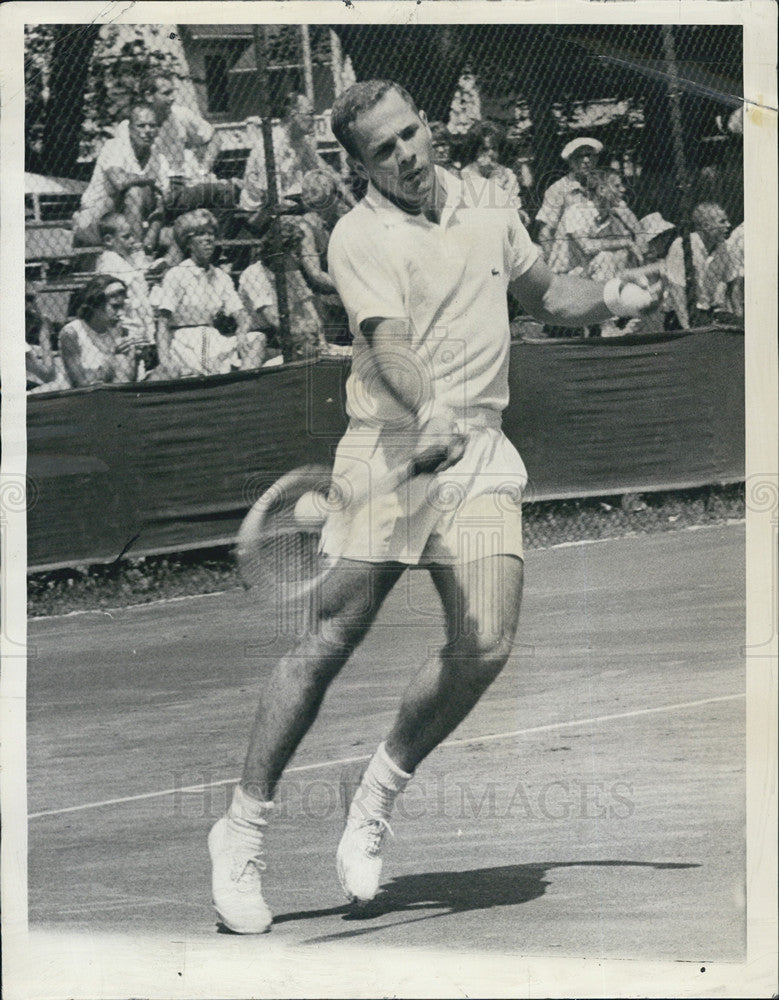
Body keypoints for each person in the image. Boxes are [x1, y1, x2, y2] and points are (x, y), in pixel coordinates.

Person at [207, 79, 663, 934]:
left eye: (412, 133)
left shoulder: (490, 205)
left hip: (479, 449)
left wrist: (610, 298)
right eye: (385, 149)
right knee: (328, 645)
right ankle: (239, 834)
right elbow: (385, 344)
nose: (409, 154)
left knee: (485, 638)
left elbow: (544, 297)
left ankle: (373, 802)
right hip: (389, 446)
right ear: (360, 165)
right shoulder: (357, 236)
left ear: (427, 125)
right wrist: (428, 410)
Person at [154, 209, 264, 376]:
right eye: (200, 234)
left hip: (213, 338)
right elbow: (163, 322)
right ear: (188, 242)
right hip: (185, 340)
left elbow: (242, 316)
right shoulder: (176, 274)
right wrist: (165, 361)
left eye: (211, 234)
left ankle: (242, 385)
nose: (208, 239)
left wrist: (241, 334)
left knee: (258, 339)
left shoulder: (221, 276)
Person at [239, 92, 356, 215]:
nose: (313, 119)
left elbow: (329, 172)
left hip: (288, 203)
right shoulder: (273, 144)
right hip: (260, 212)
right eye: (310, 114)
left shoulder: (300, 142)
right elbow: (270, 196)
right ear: (293, 115)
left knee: (325, 187)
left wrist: (355, 206)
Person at [73, 103, 168, 247]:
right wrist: (150, 179)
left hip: (132, 223)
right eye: (141, 126)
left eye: (152, 125)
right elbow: (119, 181)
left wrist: (152, 236)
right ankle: (136, 253)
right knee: (135, 193)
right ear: (130, 129)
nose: (148, 130)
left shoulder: (160, 159)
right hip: (94, 218)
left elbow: (161, 205)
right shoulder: (114, 147)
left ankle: (139, 253)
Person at [238, 219, 327, 362]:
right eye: (295, 253)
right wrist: (305, 330)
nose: (299, 258)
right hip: (265, 337)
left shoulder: (292, 272)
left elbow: (310, 310)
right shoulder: (254, 274)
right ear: (279, 253)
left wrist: (321, 341)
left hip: (296, 333)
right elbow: (273, 319)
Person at [58, 276, 142, 387]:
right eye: (115, 307)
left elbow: (128, 380)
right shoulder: (72, 332)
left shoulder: (123, 330)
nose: (121, 313)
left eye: (122, 306)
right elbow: (79, 383)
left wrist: (136, 358)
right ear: (95, 305)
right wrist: (113, 355)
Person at [664, 202, 731, 328]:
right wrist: (688, 329)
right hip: (681, 315)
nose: (728, 225)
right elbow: (677, 291)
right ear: (706, 226)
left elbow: (723, 281)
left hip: (708, 312)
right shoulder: (682, 246)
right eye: (722, 222)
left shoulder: (723, 247)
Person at [95, 212, 156, 348]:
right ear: (109, 240)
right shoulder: (109, 265)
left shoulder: (126, 260)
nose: (132, 240)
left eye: (132, 235)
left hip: (141, 327)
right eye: (126, 237)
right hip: (126, 331)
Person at [535, 137, 602, 262]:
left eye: (590, 156)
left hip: (597, 251)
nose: (586, 160)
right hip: (569, 258)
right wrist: (551, 264)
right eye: (579, 157)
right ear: (571, 162)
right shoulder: (558, 189)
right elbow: (545, 232)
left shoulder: (600, 187)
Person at [460, 120, 530, 225]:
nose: (491, 153)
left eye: (494, 148)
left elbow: (515, 209)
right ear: (474, 151)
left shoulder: (507, 175)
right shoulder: (463, 176)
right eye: (485, 149)